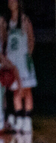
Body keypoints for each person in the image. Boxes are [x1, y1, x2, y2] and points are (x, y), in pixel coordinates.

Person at [2, 0, 35, 134]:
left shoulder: (25, 20)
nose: (11, 2)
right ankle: (19, 118)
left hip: (23, 59)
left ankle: (27, 120)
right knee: (16, 90)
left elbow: (31, 39)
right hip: (12, 60)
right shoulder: (6, 22)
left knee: (26, 90)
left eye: (13, 0)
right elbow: (5, 41)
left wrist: (28, 55)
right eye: (9, 1)